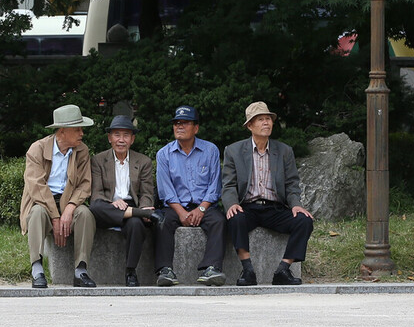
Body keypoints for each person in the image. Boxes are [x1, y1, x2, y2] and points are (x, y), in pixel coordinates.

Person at [222, 102, 314, 286]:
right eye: (261, 119)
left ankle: (283, 269)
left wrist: (296, 204)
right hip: (247, 206)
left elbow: (292, 183)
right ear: (250, 125)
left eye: (268, 119)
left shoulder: (284, 151)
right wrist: (232, 203)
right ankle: (247, 270)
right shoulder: (234, 151)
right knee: (235, 217)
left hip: (275, 208)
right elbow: (228, 184)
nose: (266, 123)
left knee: (304, 220)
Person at [20, 104, 97, 288]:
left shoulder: (82, 151)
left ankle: (81, 270)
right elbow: (36, 186)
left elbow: (85, 184)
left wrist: (70, 208)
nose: (82, 133)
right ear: (62, 132)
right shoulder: (36, 149)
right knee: (37, 213)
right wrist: (56, 217)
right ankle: (37, 269)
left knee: (85, 214)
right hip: (42, 202)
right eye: (77, 129)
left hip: (69, 201)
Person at [154, 105, 226, 286]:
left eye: (185, 123)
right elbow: (166, 189)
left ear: (196, 128)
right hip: (175, 206)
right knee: (162, 221)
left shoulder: (210, 150)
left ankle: (212, 268)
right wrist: (180, 212)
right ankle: (165, 270)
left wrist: (201, 208)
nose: (179, 126)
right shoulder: (164, 154)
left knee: (219, 221)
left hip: (204, 205)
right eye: (177, 123)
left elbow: (215, 185)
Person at [89, 115, 165, 287]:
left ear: (132, 139)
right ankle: (141, 214)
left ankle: (130, 271)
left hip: (132, 208)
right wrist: (112, 203)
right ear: (109, 138)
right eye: (117, 135)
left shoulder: (143, 161)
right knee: (94, 207)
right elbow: (96, 194)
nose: (121, 140)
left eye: (126, 135)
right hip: (107, 207)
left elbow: (146, 192)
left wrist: (145, 207)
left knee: (136, 224)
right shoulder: (98, 160)